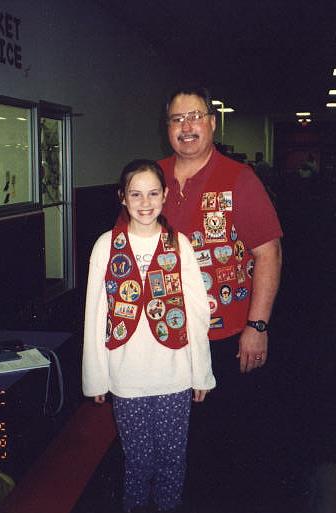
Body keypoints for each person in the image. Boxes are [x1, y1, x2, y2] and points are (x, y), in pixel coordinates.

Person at [158, 85, 283, 505]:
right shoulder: (149, 180)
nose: (186, 127)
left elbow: (269, 252)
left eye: (195, 117)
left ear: (211, 123)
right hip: (167, 340)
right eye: (177, 119)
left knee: (227, 445)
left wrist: (257, 325)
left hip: (225, 338)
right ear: (168, 129)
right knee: (174, 444)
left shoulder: (239, 179)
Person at [82, 159, 215, 513]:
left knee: (173, 459)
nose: (145, 202)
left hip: (175, 375)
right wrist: (96, 378)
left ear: (165, 195)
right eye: (135, 194)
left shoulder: (180, 244)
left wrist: (201, 371)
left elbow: (198, 312)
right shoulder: (106, 245)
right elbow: (95, 316)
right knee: (138, 461)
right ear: (122, 197)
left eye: (153, 193)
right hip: (126, 377)